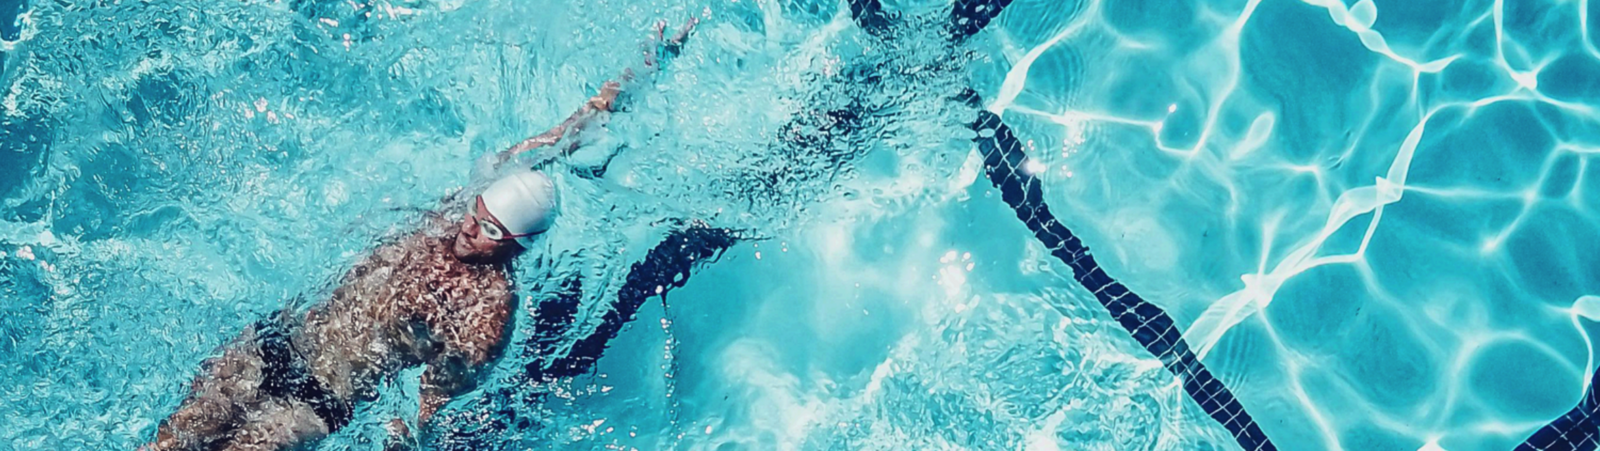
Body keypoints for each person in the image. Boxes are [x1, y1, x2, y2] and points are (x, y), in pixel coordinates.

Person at [143, 18, 699, 451]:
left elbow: (430, 409)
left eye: (486, 229)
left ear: (516, 245)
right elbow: (562, 137)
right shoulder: (463, 206)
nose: (466, 228)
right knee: (169, 440)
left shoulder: (487, 313)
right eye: (473, 212)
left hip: (316, 402)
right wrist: (640, 74)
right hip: (277, 344)